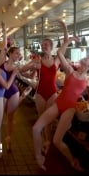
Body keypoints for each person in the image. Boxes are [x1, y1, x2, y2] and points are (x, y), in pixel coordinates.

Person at [32, 36, 89, 172]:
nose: (84, 60)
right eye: (84, 58)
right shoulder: (70, 71)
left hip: (70, 108)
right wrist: (68, 40)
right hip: (58, 103)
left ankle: (72, 161)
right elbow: (60, 53)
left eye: (87, 60)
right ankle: (39, 157)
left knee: (56, 141)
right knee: (36, 128)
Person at [0, 22, 38, 151]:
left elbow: (30, 76)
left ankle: (8, 139)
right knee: (0, 116)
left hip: (13, 91)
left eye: (19, 54)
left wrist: (35, 68)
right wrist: (4, 30)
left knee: (10, 118)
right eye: (16, 53)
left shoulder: (18, 66)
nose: (18, 55)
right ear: (10, 54)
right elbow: (3, 47)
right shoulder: (2, 63)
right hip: (2, 91)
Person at [33, 20, 69, 153]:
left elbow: (65, 42)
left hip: (53, 92)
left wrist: (64, 27)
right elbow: (25, 69)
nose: (44, 46)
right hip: (40, 93)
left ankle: (48, 141)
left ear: (52, 46)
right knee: (41, 119)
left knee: (49, 120)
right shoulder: (37, 60)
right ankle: (45, 141)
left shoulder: (57, 59)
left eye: (46, 44)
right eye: (42, 45)